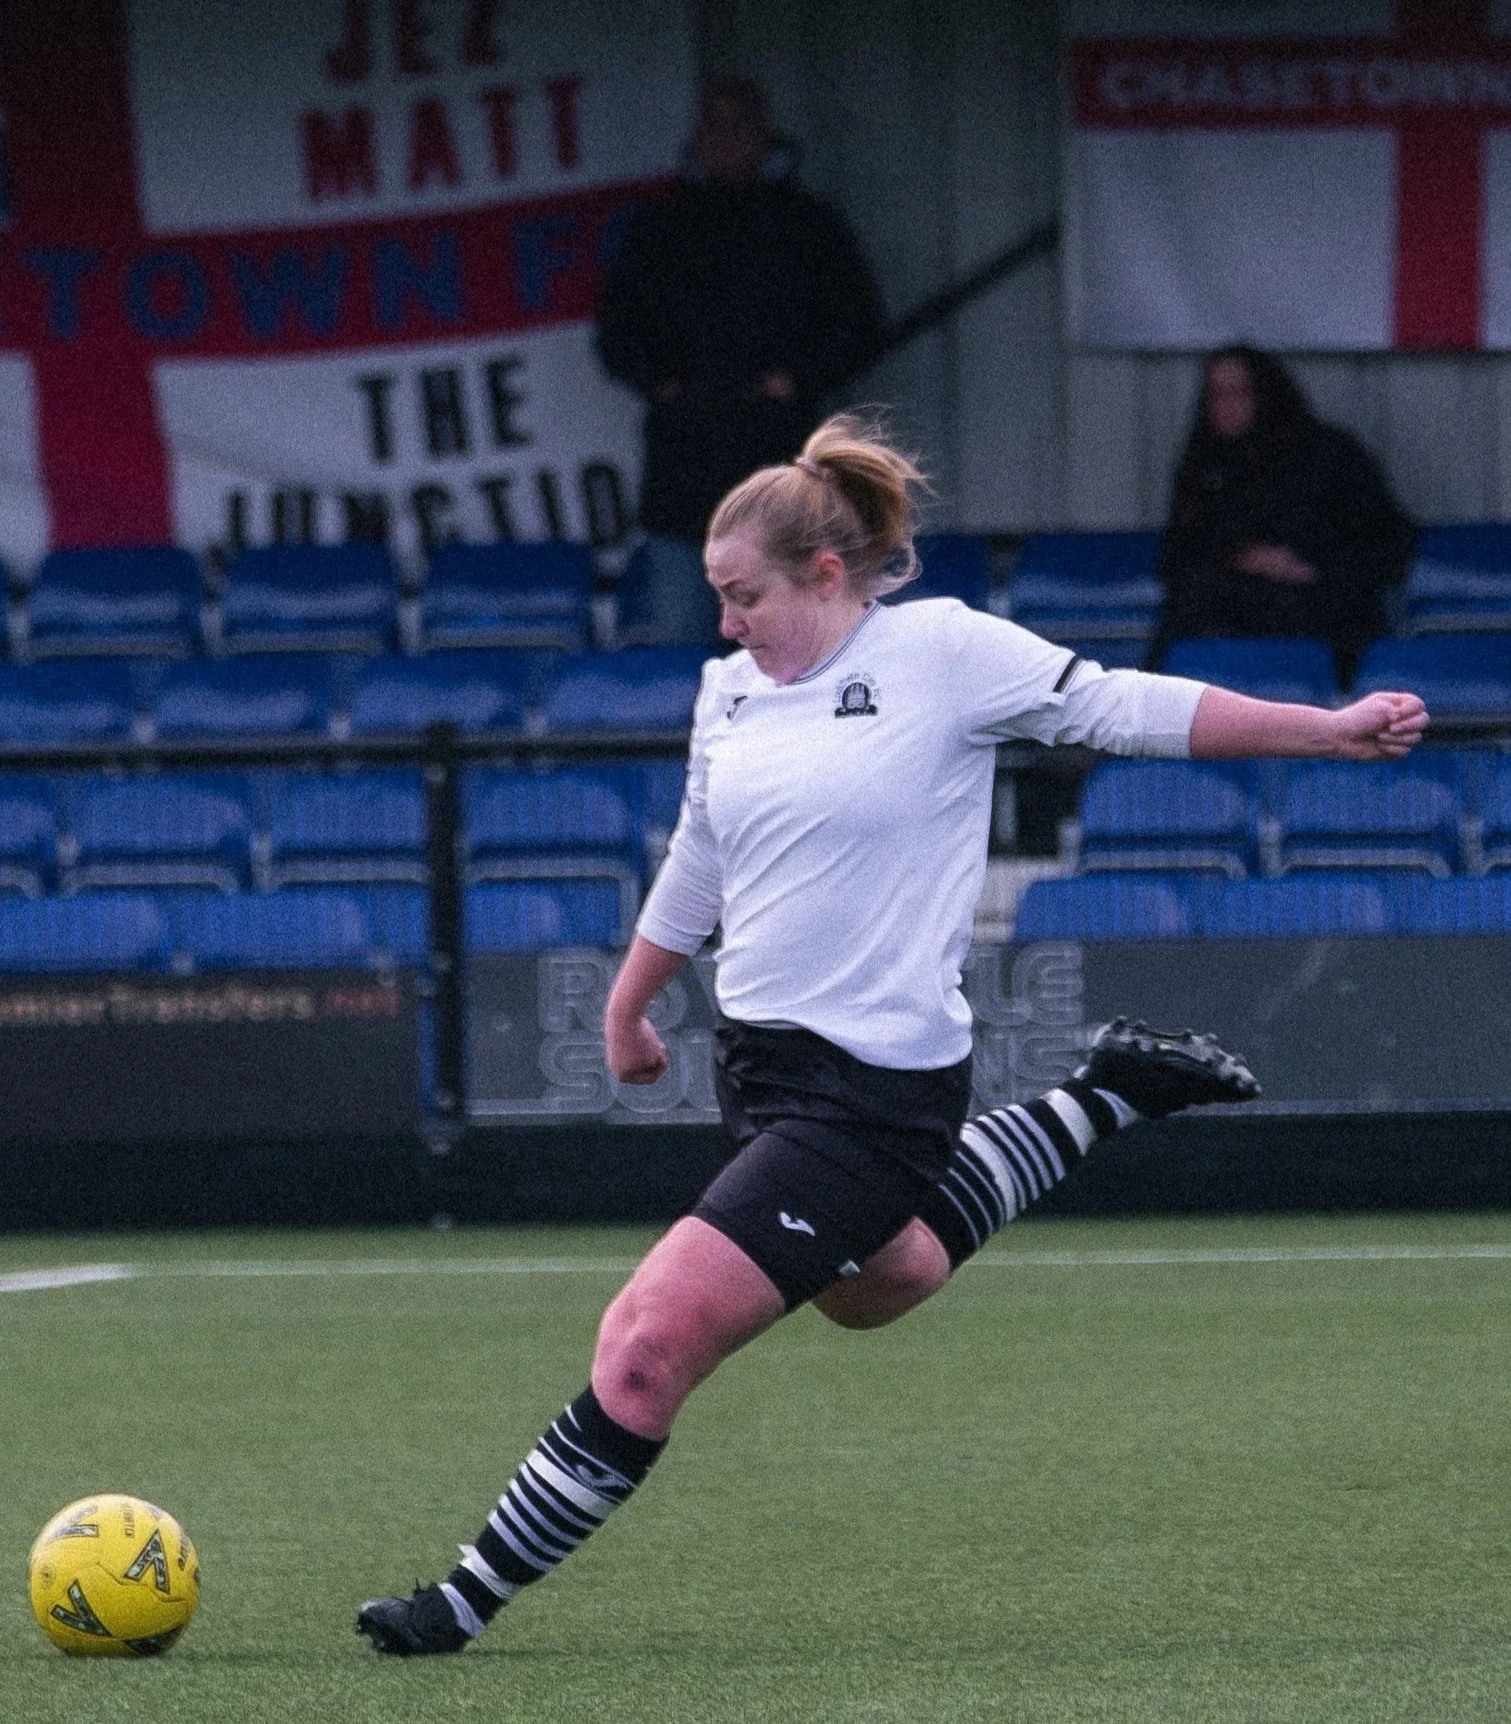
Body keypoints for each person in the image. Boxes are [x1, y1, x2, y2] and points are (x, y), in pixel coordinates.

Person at [357, 416, 1429, 1657]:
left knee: (647, 1344)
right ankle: (1107, 1090)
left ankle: (461, 1598)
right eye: (715, 598)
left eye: (741, 594)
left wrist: (1326, 725)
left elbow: (1117, 705)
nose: (724, 624)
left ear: (824, 574)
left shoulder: (939, 652)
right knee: (886, 1280)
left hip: (874, 1088)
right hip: (757, 1067)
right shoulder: (728, 690)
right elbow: (701, 855)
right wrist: (627, 998)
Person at [595, 77, 884, 644]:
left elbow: (858, 323)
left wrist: (796, 379)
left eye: (739, 126)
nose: (725, 140)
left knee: (787, 654)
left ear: (764, 135)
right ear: (697, 138)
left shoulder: (809, 225)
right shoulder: (659, 230)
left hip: (780, 469)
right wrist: (662, 383)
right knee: (686, 658)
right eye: (714, 126)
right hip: (683, 478)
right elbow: (616, 331)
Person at [1149, 345, 1417, 685]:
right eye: (1217, 394)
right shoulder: (1202, 466)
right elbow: (1177, 557)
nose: (1227, 405)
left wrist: (1310, 569)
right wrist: (1241, 558)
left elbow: (1387, 542)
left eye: (1239, 392)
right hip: (1231, 610)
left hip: (1321, 606)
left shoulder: (1330, 456)